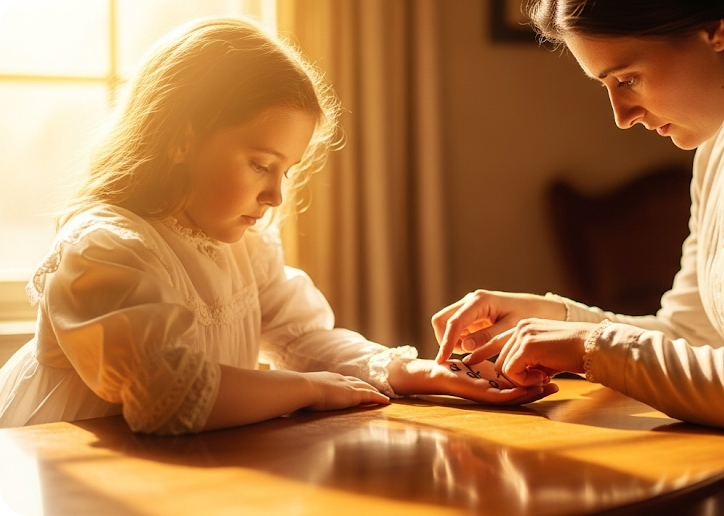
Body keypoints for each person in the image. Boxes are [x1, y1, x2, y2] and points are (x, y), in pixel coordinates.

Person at [433, 1, 724, 514]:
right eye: (606, 86)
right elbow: (695, 335)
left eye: (628, 78)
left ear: (714, 26)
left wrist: (592, 347)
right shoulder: (719, 146)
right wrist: (553, 319)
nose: (620, 115)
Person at [0, 16, 556, 436]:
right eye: (261, 165)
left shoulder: (244, 241)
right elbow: (169, 394)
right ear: (181, 138)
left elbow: (303, 338)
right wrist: (310, 390)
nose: (275, 195)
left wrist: (407, 372)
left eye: (286, 170)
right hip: (59, 474)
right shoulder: (105, 245)